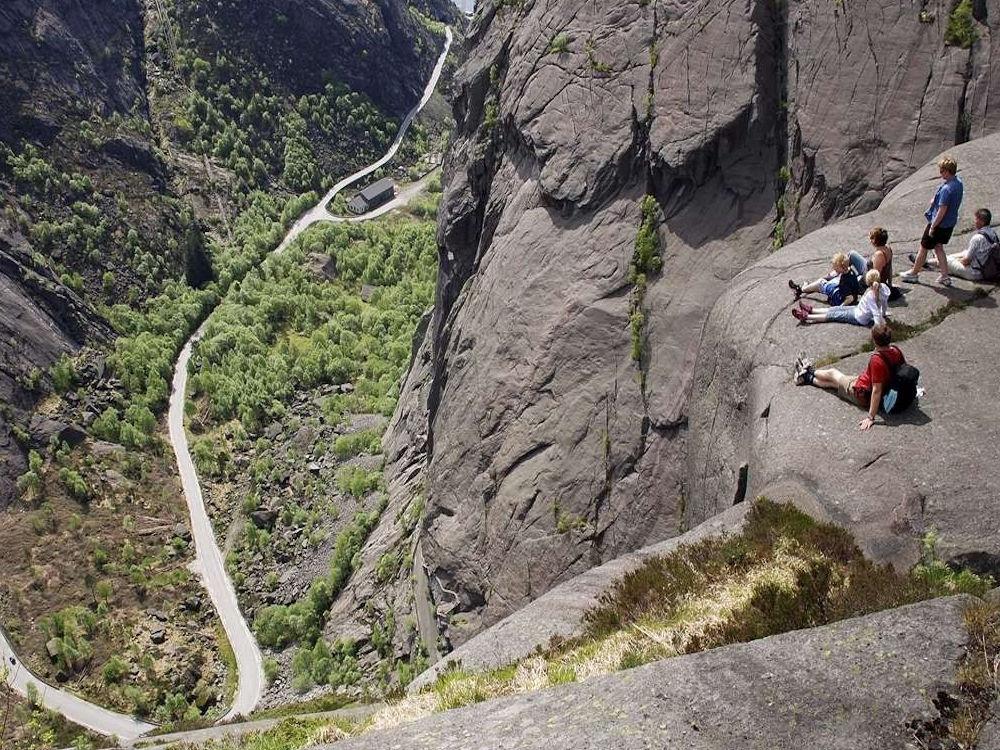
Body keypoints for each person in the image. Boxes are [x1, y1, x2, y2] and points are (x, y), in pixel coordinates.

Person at [794, 324, 906, 431]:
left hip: (862, 392)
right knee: (834, 384)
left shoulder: (877, 360)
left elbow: (876, 390)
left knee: (833, 374)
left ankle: (809, 370)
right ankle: (807, 377)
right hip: (878, 385)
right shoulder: (896, 350)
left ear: (875, 341)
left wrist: (871, 417)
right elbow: (903, 370)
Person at [900, 155, 964, 286]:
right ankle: (945, 276)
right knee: (938, 247)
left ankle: (914, 274)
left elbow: (942, 211)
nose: (940, 174)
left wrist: (933, 226)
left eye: (942, 171)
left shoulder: (947, 189)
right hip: (949, 223)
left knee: (923, 247)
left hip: (939, 223)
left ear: (947, 171)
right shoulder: (958, 183)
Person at [909, 208, 997, 281]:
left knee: (948, 260)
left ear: (981, 222)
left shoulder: (977, 238)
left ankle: (925, 263)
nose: (975, 221)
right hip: (987, 268)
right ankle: (930, 262)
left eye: (976, 219)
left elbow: (966, 261)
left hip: (974, 273)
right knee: (964, 252)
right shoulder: (993, 233)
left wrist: (956, 261)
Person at [792, 269, 888, 326]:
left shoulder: (871, 296)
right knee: (837, 309)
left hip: (859, 317)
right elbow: (884, 304)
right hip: (858, 309)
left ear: (868, 284)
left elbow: (875, 313)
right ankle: (812, 310)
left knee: (834, 316)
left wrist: (879, 327)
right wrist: (883, 313)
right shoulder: (884, 288)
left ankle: (807, 316)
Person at [787, 253, 862, 305]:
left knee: (820, 283)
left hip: (838, 296)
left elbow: (849, 298)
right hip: (851, 294)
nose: (833, 268)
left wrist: (840, 308)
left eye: (835, 267)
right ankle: (807, 287)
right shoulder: (850, 271)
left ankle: (801, 289)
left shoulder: (844, 281)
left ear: (842, 267)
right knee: (833, 276)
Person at [849, 226, 898, 300]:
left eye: (872, 238)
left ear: (875, 241)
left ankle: (838, 274)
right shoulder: (888, 248)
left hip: (866, 280)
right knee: (852, 254)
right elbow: (889, 268)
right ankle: (838, 273)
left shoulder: (879, 255)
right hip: (867, 270)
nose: (870, 240)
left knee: (847, 280)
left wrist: (874, 294)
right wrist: (890, 284)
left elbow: (874, 278)